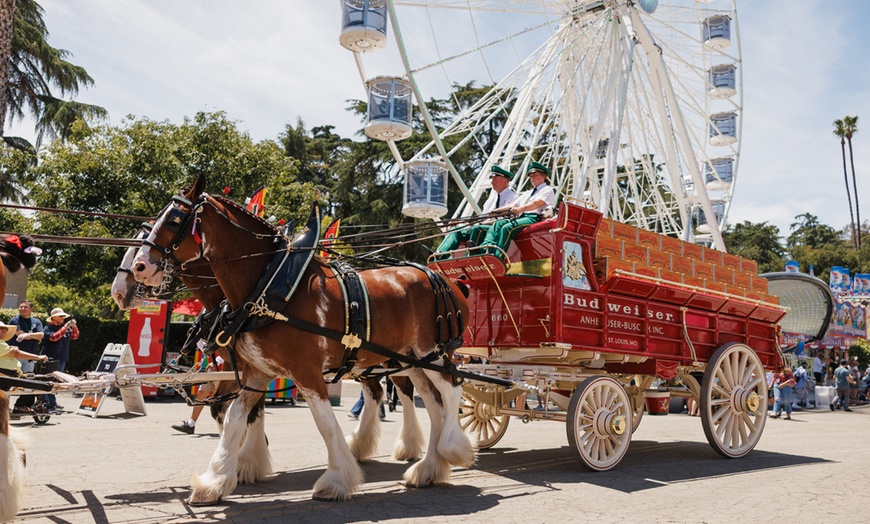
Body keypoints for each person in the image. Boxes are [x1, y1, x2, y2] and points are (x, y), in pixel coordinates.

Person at [479, 161, 557, 258]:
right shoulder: (527, 193)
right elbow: (513, 205)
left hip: (534, 218)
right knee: (498, 224)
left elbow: (537, 203)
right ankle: (486, 248)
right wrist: (496, 211)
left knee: (507, 228)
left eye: (535, 175)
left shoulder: (547, 190)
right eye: (531, 176)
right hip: (522, 217)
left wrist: (520, 209)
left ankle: (498, 257)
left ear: (543, 176)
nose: (532, 178)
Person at [435, 165, 518, 255]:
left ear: (504, 181)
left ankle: (469, 258)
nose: (492, 182)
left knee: (477, 229)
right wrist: (464, 222)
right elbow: (483, 218)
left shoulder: (513, 197)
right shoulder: (490, 201)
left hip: (494, 230)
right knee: (456, 229)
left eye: (495, 179)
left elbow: (511, 217)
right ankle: (438, 255)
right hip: (483, 225)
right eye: (492, 179)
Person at [172, 355, 224, 435]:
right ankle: (191, 425)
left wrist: (217, 361)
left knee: (227, 398)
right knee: (202, 393)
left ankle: (234, 425)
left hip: (223, 369)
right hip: (211, 370)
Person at [8, 301, 44, 413]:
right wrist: (33, 336)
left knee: (28, 383)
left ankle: (20, 406)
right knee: (9, 383)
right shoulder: (15, 320)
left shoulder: (36, 321)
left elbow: (41, 335)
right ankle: (4, 407)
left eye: (25, 307)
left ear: (31, 309)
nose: (22, 309)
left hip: (29, 358)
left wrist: (27, 335)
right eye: (21, 306)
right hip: (15, 357)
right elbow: (19, 334)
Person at [41, 307, 80, 410]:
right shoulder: (48, 328)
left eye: (63, 316)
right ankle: (47, 402)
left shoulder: (64, 327)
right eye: (60, 316)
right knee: (49, 380)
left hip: (62, 357)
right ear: (53, 318)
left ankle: (52, 402)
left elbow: (74, 336)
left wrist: (74, 326)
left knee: (56, 381)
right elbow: (54, 337)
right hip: (50, 358)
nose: (63, 318)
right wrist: (66, 327)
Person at [0, 320, 49, 394]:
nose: (4, 331)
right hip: (5, 374)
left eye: (5, 329)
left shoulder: (2, 343)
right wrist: (38, 357)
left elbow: (13, 352)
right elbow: (16, 353)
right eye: (1, 329)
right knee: (31, 389)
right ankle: (20, 405)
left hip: (8, 374)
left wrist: (14, 349)